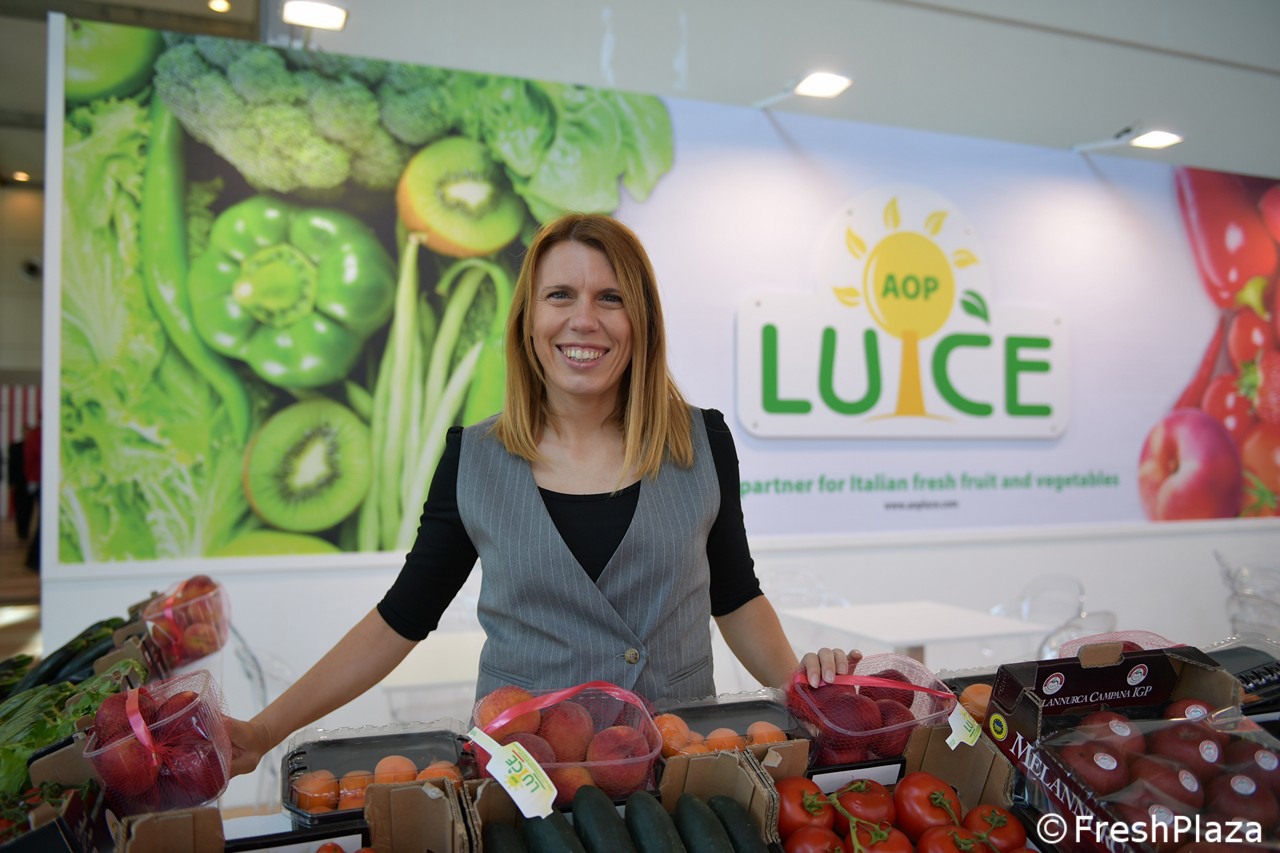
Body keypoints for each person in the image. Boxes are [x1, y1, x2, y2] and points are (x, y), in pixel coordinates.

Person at [228, 214, 855, 778]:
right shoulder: (473, 459)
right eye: (560, 295)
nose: (584, 319)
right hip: (527, 774)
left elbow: (736, 595)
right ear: (529, 320)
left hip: (678, 762)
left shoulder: (702, 442)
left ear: (641, 321)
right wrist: (263, 731)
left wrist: (810, 700)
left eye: (610, 298)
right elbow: (401, 618)